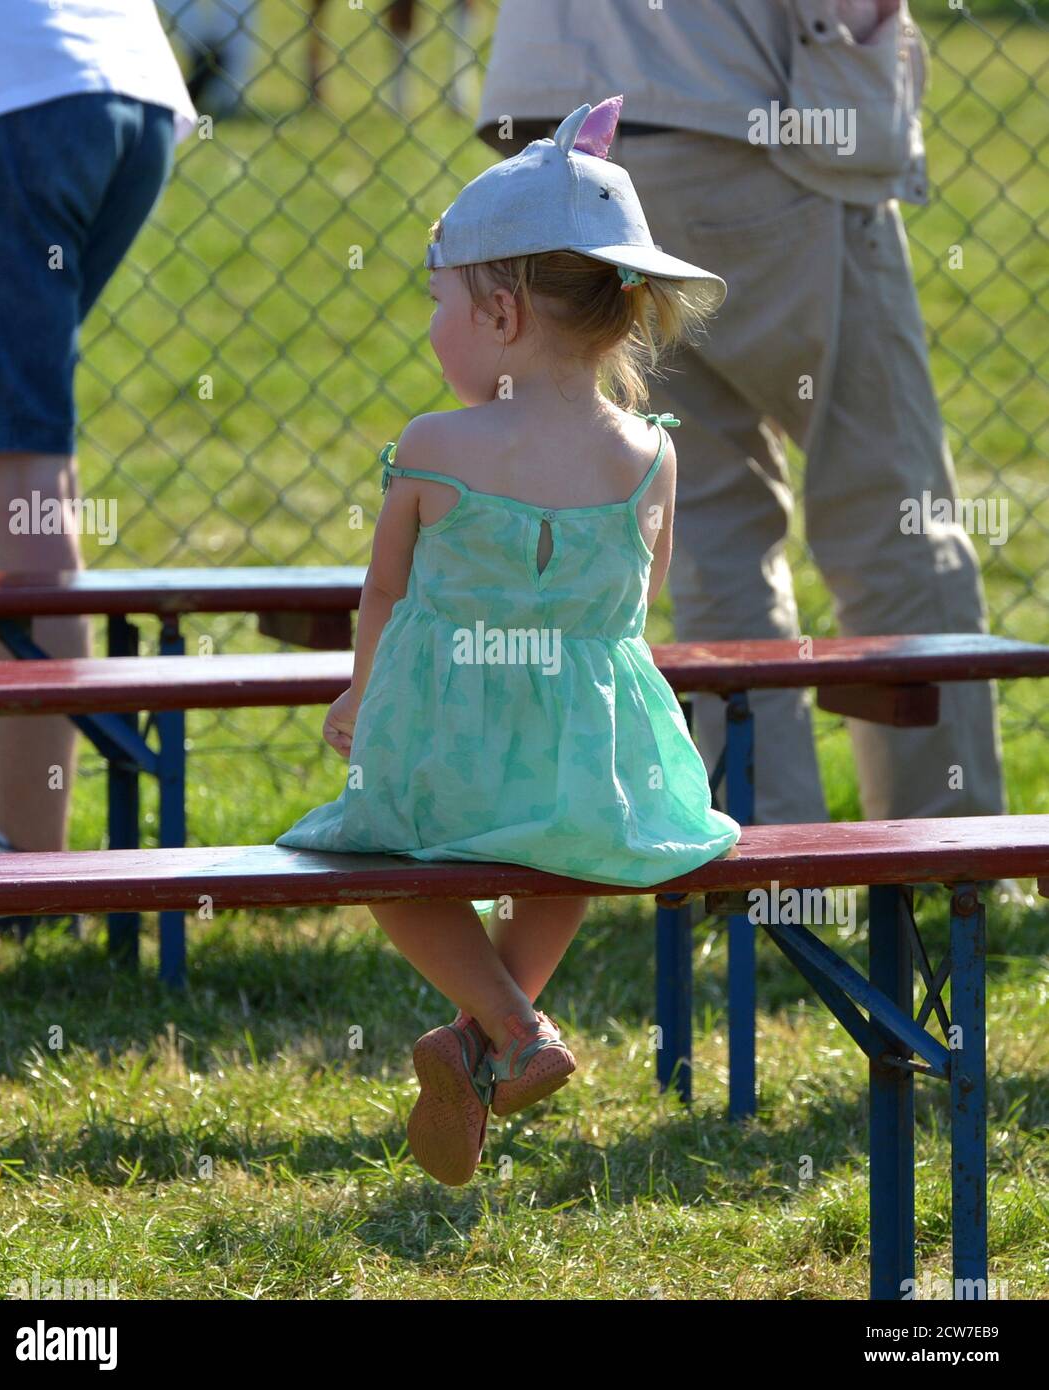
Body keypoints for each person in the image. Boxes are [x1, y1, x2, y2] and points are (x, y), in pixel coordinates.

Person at [276, 98, 740, 1186]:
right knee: (568, 861)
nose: (431, 327)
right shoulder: (649, 458)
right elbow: (636, 604)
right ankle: (488, 1040)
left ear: (498, 310)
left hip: (444, 747)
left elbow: (385, 589)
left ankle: (509, 1031)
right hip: (591, 759)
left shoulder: (434, 446)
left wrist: (360, 696)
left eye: (437, 303)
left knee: (375, 864)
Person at [476, 0, 1006, 828]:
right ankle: (949, 848)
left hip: (559, 140)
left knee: (709, 521)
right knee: (891, 510)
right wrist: (862, 62)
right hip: (741, 113)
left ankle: (765, 854)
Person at [0, 0, 196, 937]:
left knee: (17, 466)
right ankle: (5, 858)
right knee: (6, 455)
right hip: (121, 85)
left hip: (6, 99)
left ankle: (23, 872)